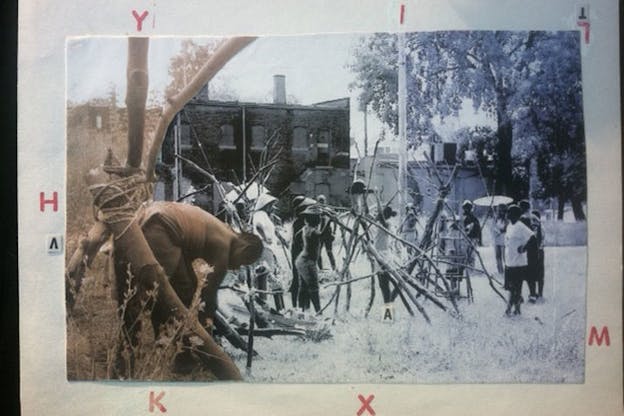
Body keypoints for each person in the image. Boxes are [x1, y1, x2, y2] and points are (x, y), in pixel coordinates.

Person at [114, 201, 263, 378]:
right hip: (163, 226)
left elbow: (195, 287)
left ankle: (178, 353)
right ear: (244, 248)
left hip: (159, 219)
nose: (237, 267)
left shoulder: (224, 232)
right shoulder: (224, 244)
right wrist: (208, 345)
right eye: (243, 261)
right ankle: (143, 352)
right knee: (158, 294)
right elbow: (208, 299)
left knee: (184, 290)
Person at [251, 193, 285, 311]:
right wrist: (265, 237)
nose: (272, 207)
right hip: (264, 247)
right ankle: (263, 301)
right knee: (265, 273)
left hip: (268, 248)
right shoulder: (260, 214)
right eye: (270, 205)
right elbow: (259, 226)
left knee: (265, 274)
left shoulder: (264, 215)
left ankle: (263, 300)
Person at [503, 204, 535, 316]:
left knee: (516, 287)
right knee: (510, 288)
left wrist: (524, 248)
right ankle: (510, 309)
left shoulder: (521, 226)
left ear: (515, 215)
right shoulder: (509, 226)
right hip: (509, 262)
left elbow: (532, 237)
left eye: (509, 212)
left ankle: (515, 309)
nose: (507, 214)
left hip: (519, 263)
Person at [295, 206, 324, 313]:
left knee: (303, 287)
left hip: (302, 260)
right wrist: (330, 221)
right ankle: (318, 311)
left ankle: (302, 311)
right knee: (313, 287)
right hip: (307, 262)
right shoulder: (313, 231)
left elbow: (296, 237)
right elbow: (322, 235)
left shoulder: (305, 228)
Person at [375, 205, 399, 305]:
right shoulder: (380, 223)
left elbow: (384, 223)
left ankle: (388, 307)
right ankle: (388, 304)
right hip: (378, 253)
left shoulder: (388, 223)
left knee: (385, 284)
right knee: (382, 284)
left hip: (384, 255)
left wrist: (379, 216)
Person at [519, 200, 540, 302]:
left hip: (526, 248)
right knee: (533, 271)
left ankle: (523, 295)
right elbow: (538, 234)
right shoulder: (535, 218)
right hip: (535, 248)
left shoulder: (523, 219)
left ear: (522, 208)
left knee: (524, 272)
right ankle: (533, 293)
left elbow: (525, 236)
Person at [316, 194, 337, 271]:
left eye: (322, 201)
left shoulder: (328, 210)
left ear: (325, 201)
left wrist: (334, 232)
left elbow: (335, 221)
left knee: (329, 252)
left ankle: (334, 268)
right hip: (319, 234)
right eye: (320, 201)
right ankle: (320, 269)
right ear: (317, 202)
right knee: (318, 253)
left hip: (328, 233)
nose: (321, 202)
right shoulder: (316, 211)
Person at [532, 210, 546, 300]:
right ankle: (535, 293)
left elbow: (542, 241)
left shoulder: (540, 229)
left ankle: (539, 293)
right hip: (537, 252)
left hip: (538, 252)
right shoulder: (537, 228)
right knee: (535, 274)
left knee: (538, 273)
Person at [491, 203, 508, 274]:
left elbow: (506, 229)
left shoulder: (507, 220)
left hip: (504, 240)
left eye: (500, 210)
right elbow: (492, 228)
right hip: (497, 240)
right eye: (498, 210)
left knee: (505, 257)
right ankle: (500, 271)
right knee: (497, 257)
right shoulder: (495, 219)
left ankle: (507, 270)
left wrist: (500, 230)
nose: (499, 212)